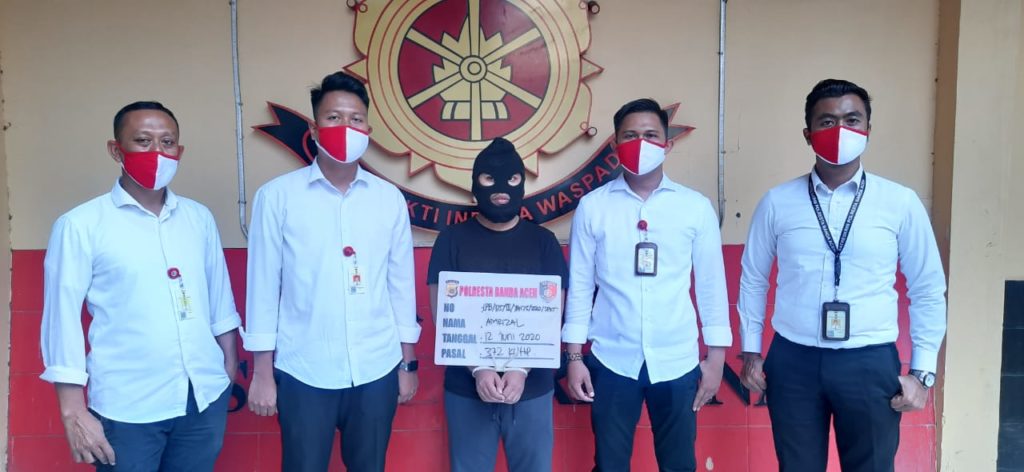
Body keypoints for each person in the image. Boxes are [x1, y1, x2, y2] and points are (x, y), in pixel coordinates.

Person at [738, 79, 948, 471]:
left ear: (868, 129)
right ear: (808, 134)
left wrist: (923, 372)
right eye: (827, 121)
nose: (840, 130)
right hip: (793, 360)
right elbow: (753, 279)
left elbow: (928, 288)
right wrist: (751, 350)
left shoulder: (899, 202)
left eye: (852, 120)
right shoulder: (777, 202)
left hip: (869, 360)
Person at [40, 101, 240, 471]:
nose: (157, 151)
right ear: (116, 150)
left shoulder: (198, 218)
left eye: (167, 142)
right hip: (127, 407)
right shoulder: (80, 225)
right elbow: (61, 319)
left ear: (179, 152)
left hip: (203, 397)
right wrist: (73, 410)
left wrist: (228, 366)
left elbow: (219, 297)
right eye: (143, 141)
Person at [243, 71, 420, 472]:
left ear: (368, 130)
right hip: (304, 369)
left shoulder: (388, 199)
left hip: (376, 367)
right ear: (314, 128)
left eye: (356, 119)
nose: (346, 127)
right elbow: (263, 288)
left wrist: (407, 365)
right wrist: (262, 373)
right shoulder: (277, 197)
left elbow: (400, 286)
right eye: (334, 117)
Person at [562, 98, 732, 471]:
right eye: (631, 135)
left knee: (678, 463)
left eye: (651, 135)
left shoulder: (694, 207)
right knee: (609, 464)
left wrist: (716, 359)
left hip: (677, 361)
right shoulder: (593, 207)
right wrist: (574, 358)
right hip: (611, 359)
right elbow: (580, 287)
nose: (641, 143)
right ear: (615, 144)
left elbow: (711, 286)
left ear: (667, 144)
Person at [427, 138, 568, 472]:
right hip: (466, 387)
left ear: (522, 183)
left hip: (532, 386)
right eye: (489, 178)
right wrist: (478, 368)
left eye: (512, 179)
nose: (502, 188)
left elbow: (553, 315)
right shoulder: (450, 240)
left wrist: (521, 368)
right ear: (475, 186)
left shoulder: (544, 242)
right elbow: (442, 313)